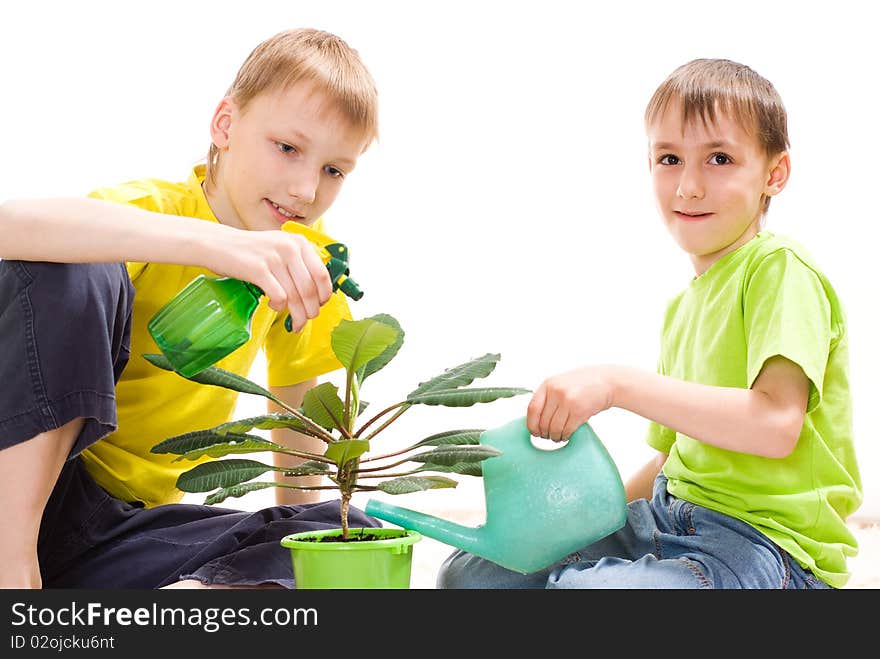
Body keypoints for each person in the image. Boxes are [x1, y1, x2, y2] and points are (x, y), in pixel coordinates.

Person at [437, 58, 862, 589]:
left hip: (765, 545)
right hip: (668, 517)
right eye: (669, 158)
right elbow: (669, 458)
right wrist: (574, 525)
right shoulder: (683, 308)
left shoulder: (780, 270)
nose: (687, 186)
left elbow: (776, 425)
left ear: (774, 174)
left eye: (719, 158)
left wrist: (618, 384)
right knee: (473, 577)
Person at [0, 27, 383, 589]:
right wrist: (224, 248)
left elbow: (300, 414)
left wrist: (300, 536)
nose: (306, 189)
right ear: (225, 126)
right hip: (25, 486)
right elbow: (13, 231)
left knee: (332, 536)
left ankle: (175, 603)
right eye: (288, 148)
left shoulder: (307, 261)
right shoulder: (155, 212)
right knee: (77, 265)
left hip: (117, 530)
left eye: (333, 170)